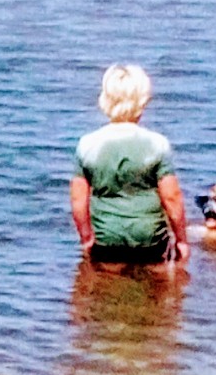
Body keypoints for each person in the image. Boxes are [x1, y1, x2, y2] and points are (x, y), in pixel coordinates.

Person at [70, 64, 189, 267]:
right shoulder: (157, 144)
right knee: (154, 284)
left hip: (107, 236)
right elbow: (172, 197)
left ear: (106, 99)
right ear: (143, 100)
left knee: (105, 284)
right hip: (150, 238)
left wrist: (86, 236)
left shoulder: (87, 144)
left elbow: (78, 200)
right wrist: (181, 240)